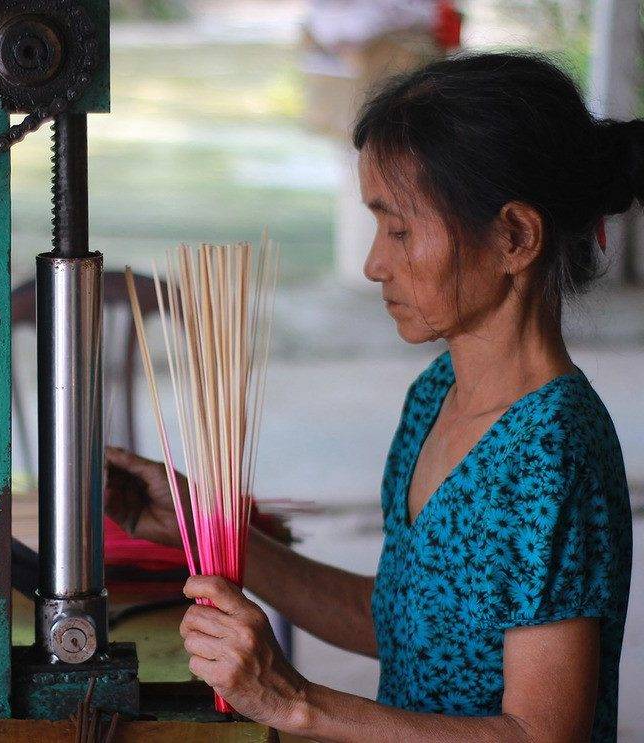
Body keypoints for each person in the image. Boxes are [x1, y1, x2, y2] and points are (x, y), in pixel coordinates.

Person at [105, 52, 633, 742]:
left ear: (514, 236)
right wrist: (202, 528)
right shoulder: (436, 394)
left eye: (401, 230)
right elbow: (402, 619)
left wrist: (296, 701)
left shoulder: (553, 451)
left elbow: (538, 732)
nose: (373, 263)